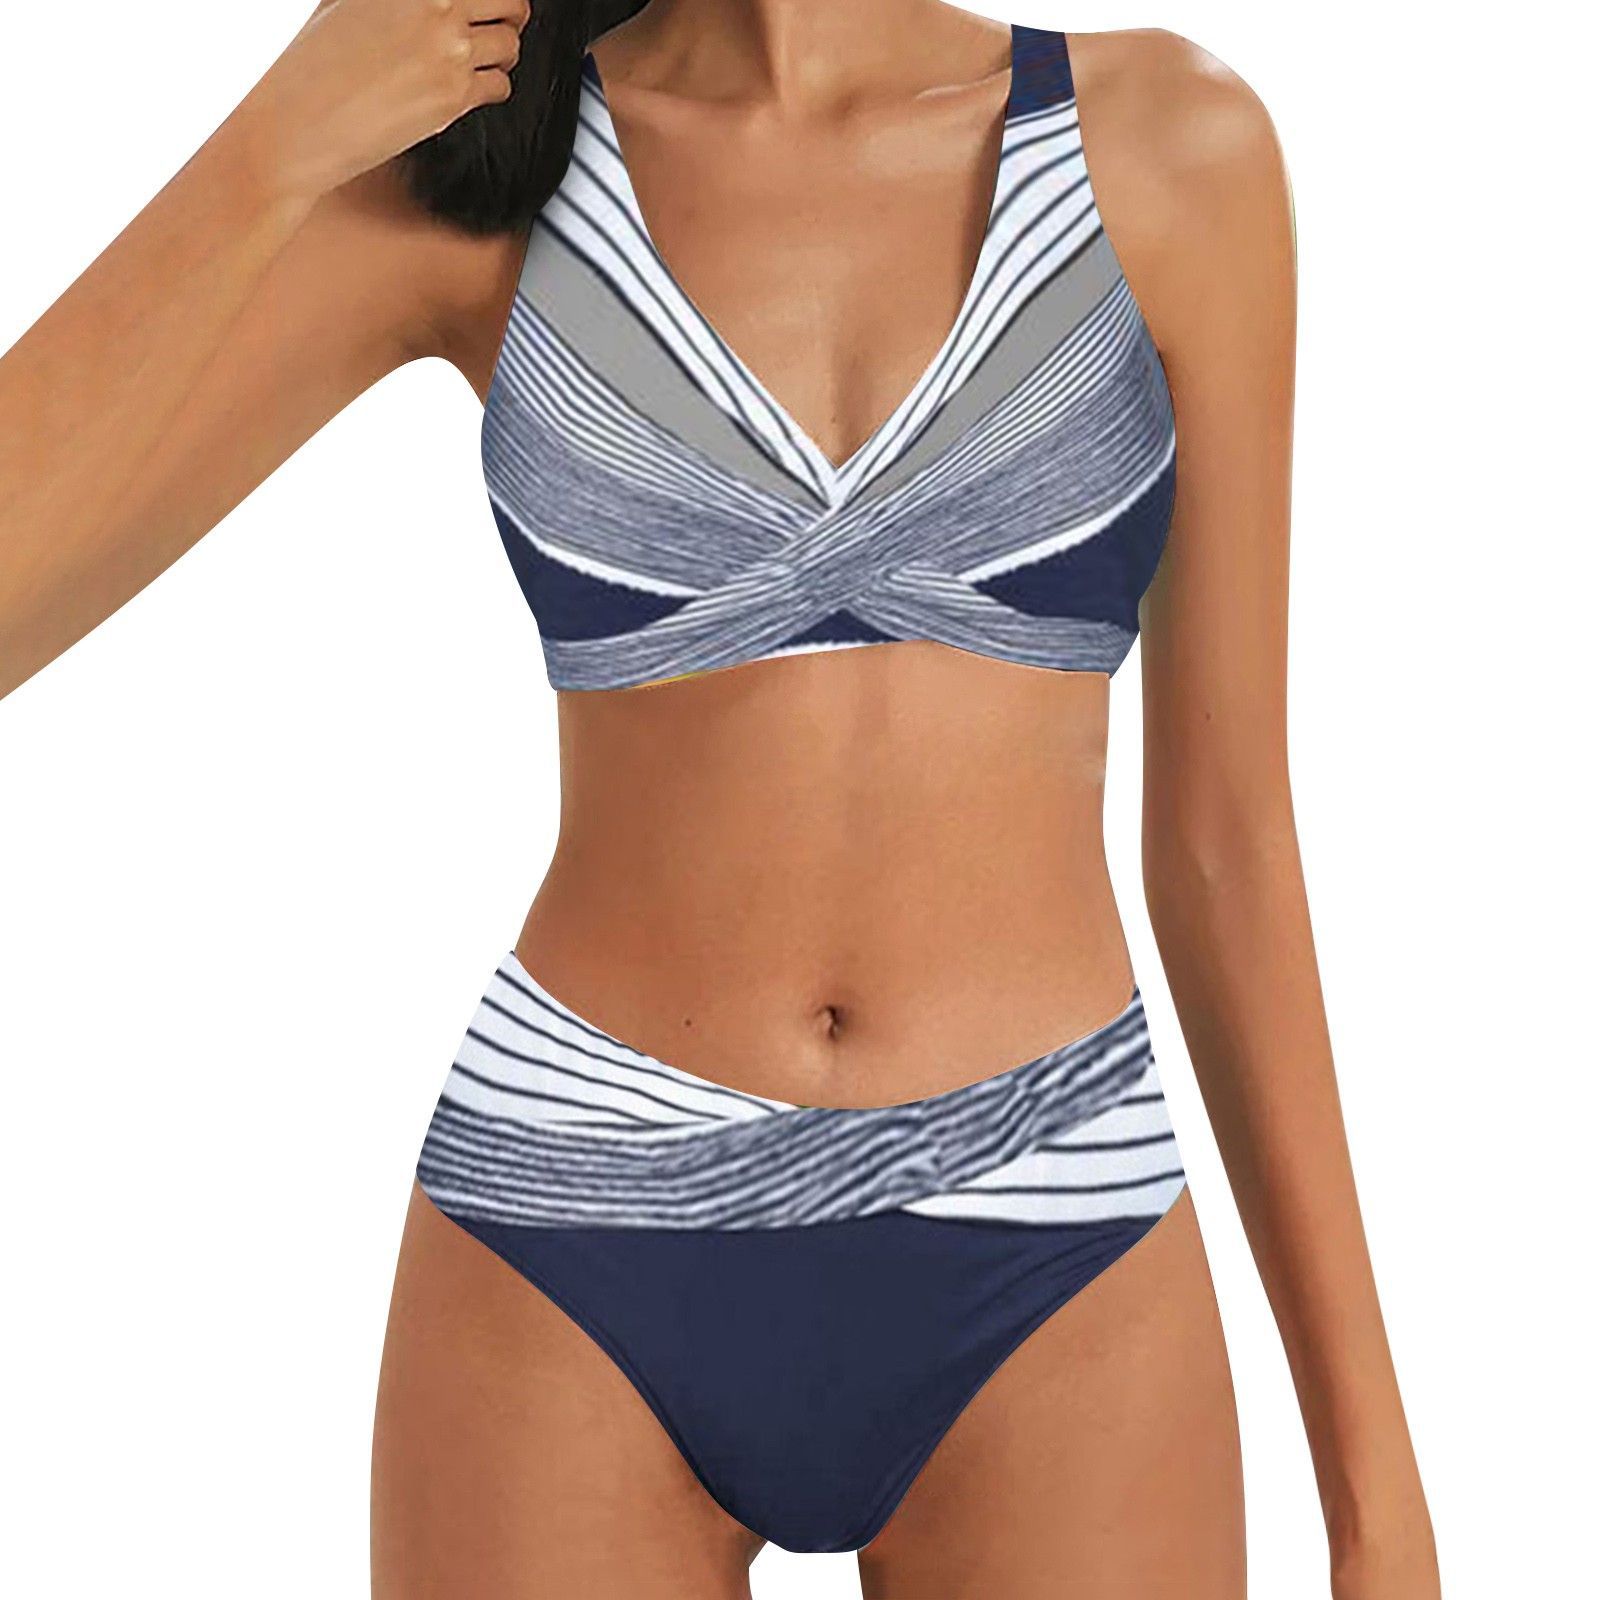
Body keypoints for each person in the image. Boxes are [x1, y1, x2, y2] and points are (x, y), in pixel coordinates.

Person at [0, 1, 1438, 1595]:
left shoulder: (1168, 146)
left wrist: (1376, 1496)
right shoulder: (493, 166)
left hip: (1053, 1212)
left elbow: (1227, 839)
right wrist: (266, 147)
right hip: (572, 1226)